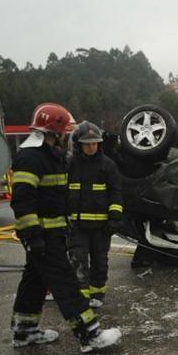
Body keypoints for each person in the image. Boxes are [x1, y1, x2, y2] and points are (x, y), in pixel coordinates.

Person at [10, 103, 120, 352]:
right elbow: (23, 201)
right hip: (44, 235)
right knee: (66, 283)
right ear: (53, 130)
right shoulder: (31, 158)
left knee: (34, 281)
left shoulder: (51, 156)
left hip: (54, 232)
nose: (68, 137)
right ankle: (90, 336)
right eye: (65, 132)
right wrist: (33, 235)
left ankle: (24, 330)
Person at [67, 121, 124, 309]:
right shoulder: (70, 165)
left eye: (95, 143)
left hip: (102, 227)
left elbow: (116, 193)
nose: (92, 147)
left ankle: (97, 294)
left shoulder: (108, 166)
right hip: (77, 227)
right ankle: (81, 298)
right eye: (87, 143)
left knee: (100, 262)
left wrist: (114, 218)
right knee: (79, 261)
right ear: (78, 145)